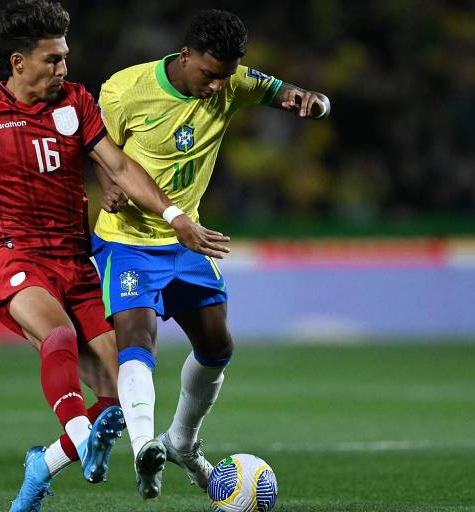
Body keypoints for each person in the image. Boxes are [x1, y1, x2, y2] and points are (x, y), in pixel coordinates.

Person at [0, 1, 230, 511]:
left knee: (123, 395)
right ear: (19, 62)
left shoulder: (75, 102)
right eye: (53, 59)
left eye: (65, 57)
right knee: (60, 334)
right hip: (18, 257)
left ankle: (42, 465)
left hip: (78, 261)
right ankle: (76, 431)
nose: (64, 69)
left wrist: (176, 216)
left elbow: (120, 165)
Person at [89, 8, 330, 499]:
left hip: (187, 239)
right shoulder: (124, 89)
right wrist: (107, 185)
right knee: (137, 334)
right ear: (185, 56)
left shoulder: (235, 81)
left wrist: (312, 101)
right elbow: (98, 148)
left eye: (225, 77)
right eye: (209, 75)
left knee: (218, 346)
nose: (217, 87)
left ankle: (180, 439)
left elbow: (287, 93)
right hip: (127, 240)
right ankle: (142, 446)